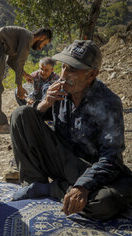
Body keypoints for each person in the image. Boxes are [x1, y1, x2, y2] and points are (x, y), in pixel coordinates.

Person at [10, 40, 132, 220]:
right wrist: (45, 104)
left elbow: (111, 157)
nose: (64, 75)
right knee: (21, 114)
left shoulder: (108, 103)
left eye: (73, 69)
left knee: (104, 202)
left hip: (90, 169)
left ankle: (49, 189)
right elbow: (33, 121)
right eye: (64, 67)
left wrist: (82, 186)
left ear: (92, 74)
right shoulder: (58, 90)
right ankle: (35, 182)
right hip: (62, 158)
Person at [0, 26, 52, 134]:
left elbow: (11, 61)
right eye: (44, 44)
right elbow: (20, 62)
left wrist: (24, 75)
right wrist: (19, 86)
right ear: (42, 37)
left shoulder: (22, 36)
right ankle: (1, 124)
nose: (41, 48)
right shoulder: (28, 37)